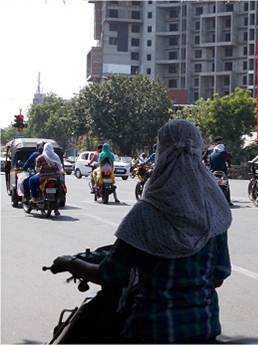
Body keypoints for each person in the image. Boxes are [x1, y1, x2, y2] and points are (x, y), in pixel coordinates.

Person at [51, 119, 232, 343]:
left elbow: (111, 275)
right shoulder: (214, 211)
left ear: (162, 153)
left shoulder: (144, 214)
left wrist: (70, 262)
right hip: (204, 328)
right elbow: (219, 275)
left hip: (150, 331)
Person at [28, 143, 63, 215]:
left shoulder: (40, 157)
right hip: (55, 177)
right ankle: (56, 209)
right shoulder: (56, 156)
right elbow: (60, 167)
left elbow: (37, 169)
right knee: (59, 189)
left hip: (43, 177)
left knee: (31, 180)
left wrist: (41, 169)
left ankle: (34, 197)